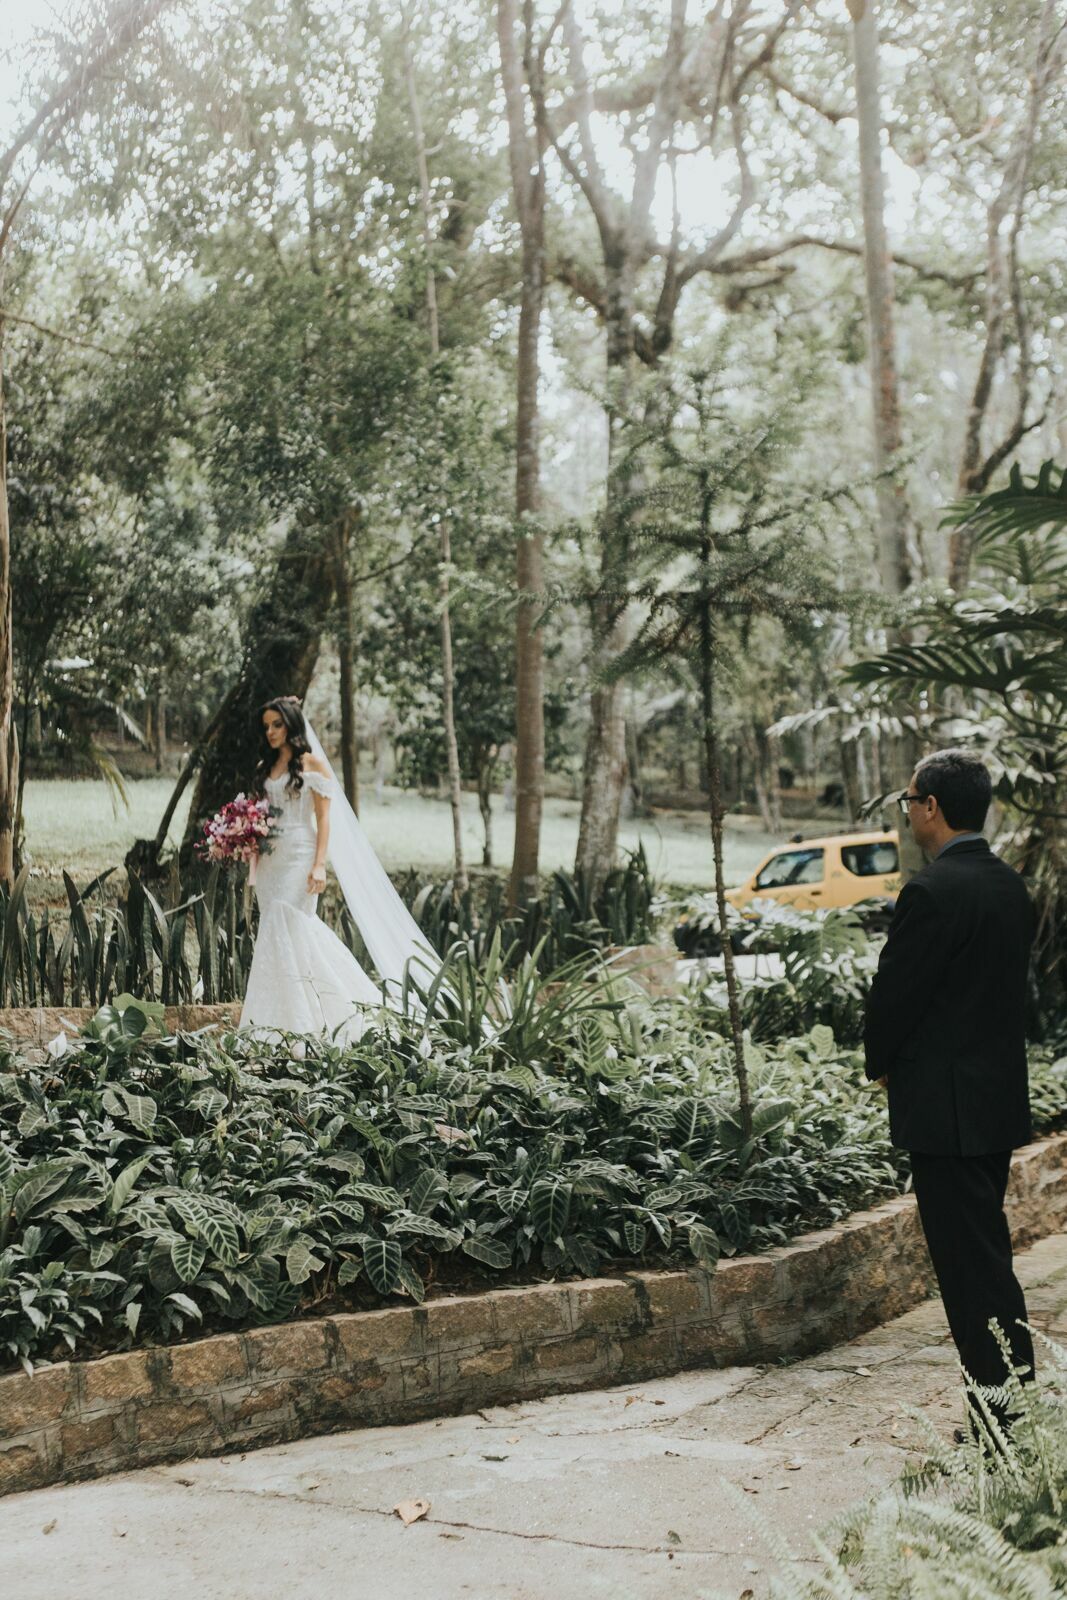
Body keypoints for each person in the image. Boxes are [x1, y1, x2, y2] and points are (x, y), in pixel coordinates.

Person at [863, 748, 1036, 1431]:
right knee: (985, 1262)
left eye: (909, 800)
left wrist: (880, 1061)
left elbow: (895, 996)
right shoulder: (1008, 886)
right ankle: (1010, 1413)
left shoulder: (931, 892)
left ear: (931, 806)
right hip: (994, 1104)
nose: (908, 811)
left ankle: (1003, 1428)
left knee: (972, 1277)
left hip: (947, 1114)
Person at [240, 696, 436, 1042]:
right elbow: (261, 814)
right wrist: (243, 837)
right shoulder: (264, 766)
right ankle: (280, 1023)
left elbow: (324, 818)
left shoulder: (312, 764)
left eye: (277, 724)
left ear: (291, 725)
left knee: (295, 925)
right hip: (271, 859)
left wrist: (319, 865)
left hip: (299, 855)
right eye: (266, 726)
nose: (270, 731)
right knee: (274, 930)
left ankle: (339, 1011)